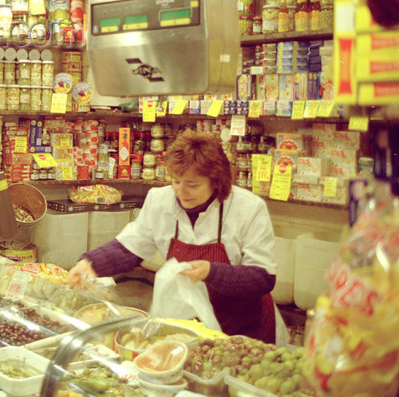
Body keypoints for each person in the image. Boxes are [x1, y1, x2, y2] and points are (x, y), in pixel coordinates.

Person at [68, 130, 280, 344]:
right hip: (191, 325)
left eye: (192, 185)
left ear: (216, 181)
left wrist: (212, 272)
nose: (181, 191)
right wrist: (91, 262)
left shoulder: (248, 208)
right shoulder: (160, 201)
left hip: (244, 327)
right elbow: (129, 247)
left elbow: (263, 277)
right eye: (176, 181)